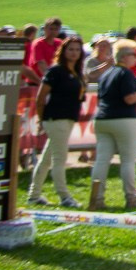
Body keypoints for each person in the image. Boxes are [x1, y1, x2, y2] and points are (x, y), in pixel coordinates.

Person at [26, 36, 87, 207]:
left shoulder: (77, 72)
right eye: (70, 49)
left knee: (47, 159)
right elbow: (41, 97)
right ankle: (64, 196)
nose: (74, 53)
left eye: (77, 50)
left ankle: (34, 195)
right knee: (60, 158)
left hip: (68, 118)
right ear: (63, 51)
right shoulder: (55, 71)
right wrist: (41, 118)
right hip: (56, 118)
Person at [90, 39, 136, 208]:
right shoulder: (126, 74)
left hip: (102, 119)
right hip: (124, 119)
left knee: (101, 161)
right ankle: (131, 198)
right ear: (124, 57)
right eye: (133, 54)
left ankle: (96, 198)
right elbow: (129, 99)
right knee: (128, 161)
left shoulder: (106, 74)